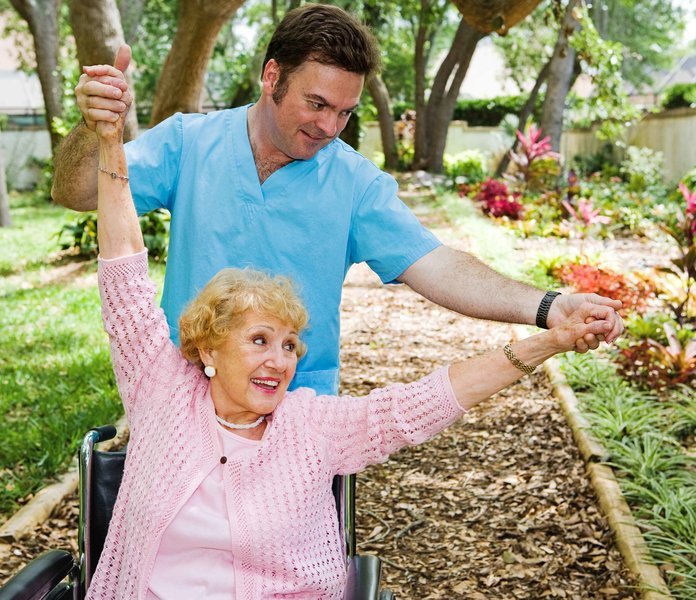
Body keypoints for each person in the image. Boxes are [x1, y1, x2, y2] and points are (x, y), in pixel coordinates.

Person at [92, 66, 615, 600]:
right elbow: (122, 267)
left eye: (290, 345)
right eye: (258, 341)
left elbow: (431, 396)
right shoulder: (162, 395)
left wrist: (550, 323)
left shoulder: (308, 428)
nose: (279, 361)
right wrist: (108, 139)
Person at [52, 3, 623, 398]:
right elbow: (74, 192)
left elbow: (440, 266)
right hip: (184, 399)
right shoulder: (188, 142)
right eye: (317, 104)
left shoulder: (353, 182)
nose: (331, 126)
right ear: (271, 76)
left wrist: (548, 307)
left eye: (346, 112)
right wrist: (94, 127)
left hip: (296, 410)